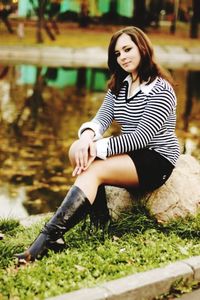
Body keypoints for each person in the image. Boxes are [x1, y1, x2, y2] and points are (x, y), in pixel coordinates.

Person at [15, 26, 180, 263]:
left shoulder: (161, 90)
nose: (122, 57)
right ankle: (100, 223)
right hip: (132, 154)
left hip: (156, 159)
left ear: (143, 48)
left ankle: (46, 240)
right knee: (76, 150)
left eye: (127, 49)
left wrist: (97, 148)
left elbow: (142, 137)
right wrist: (87, 138)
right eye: (117, 53)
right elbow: (102, 118)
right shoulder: (121, 84)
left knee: (94, 167)